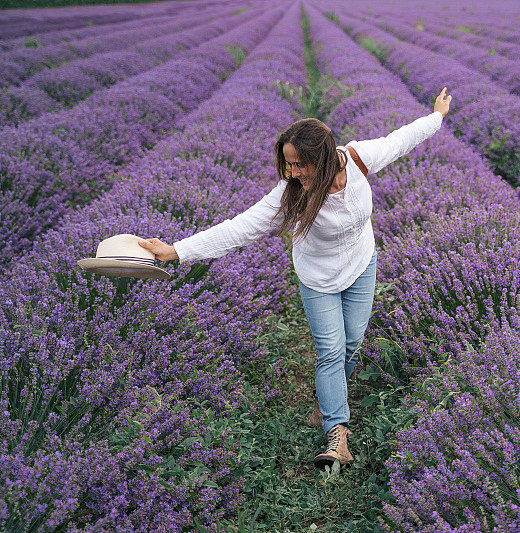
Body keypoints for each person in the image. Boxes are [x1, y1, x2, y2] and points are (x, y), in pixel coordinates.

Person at [138, 87, 452, 468]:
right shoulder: (291, 194)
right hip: (317, 277)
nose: (293, 172)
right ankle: (338, 435)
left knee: (351, 345)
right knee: (331, 351)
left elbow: (401, 139)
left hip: (361, 264)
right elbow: (241, 227)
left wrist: (436, 116)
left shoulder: (357, 159)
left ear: (323, 157)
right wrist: (177, 250)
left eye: (301, 164)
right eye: (288, 164)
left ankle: (326, 394)